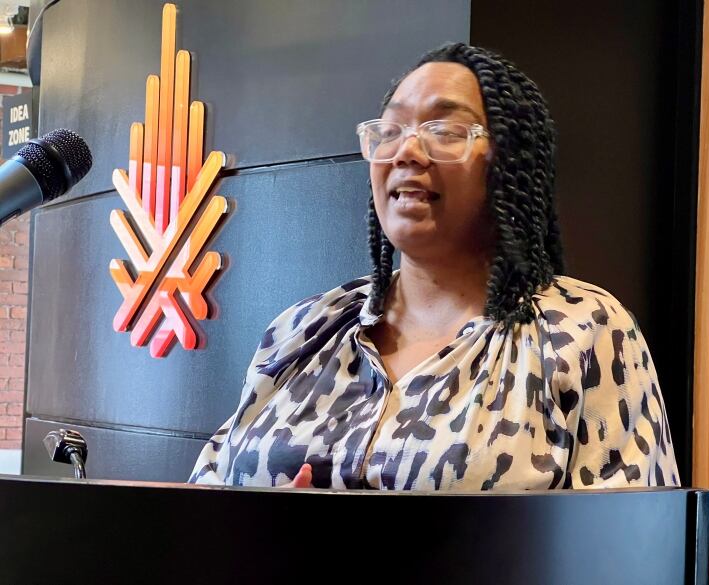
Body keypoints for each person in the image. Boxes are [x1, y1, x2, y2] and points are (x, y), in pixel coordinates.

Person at [189, 42, 679, 491]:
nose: (407, 151)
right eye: (390, 130)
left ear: (508, 162)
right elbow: (203, 510)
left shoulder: (580, 332)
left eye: (444, 130)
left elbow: (635, 548)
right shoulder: (303, 330)